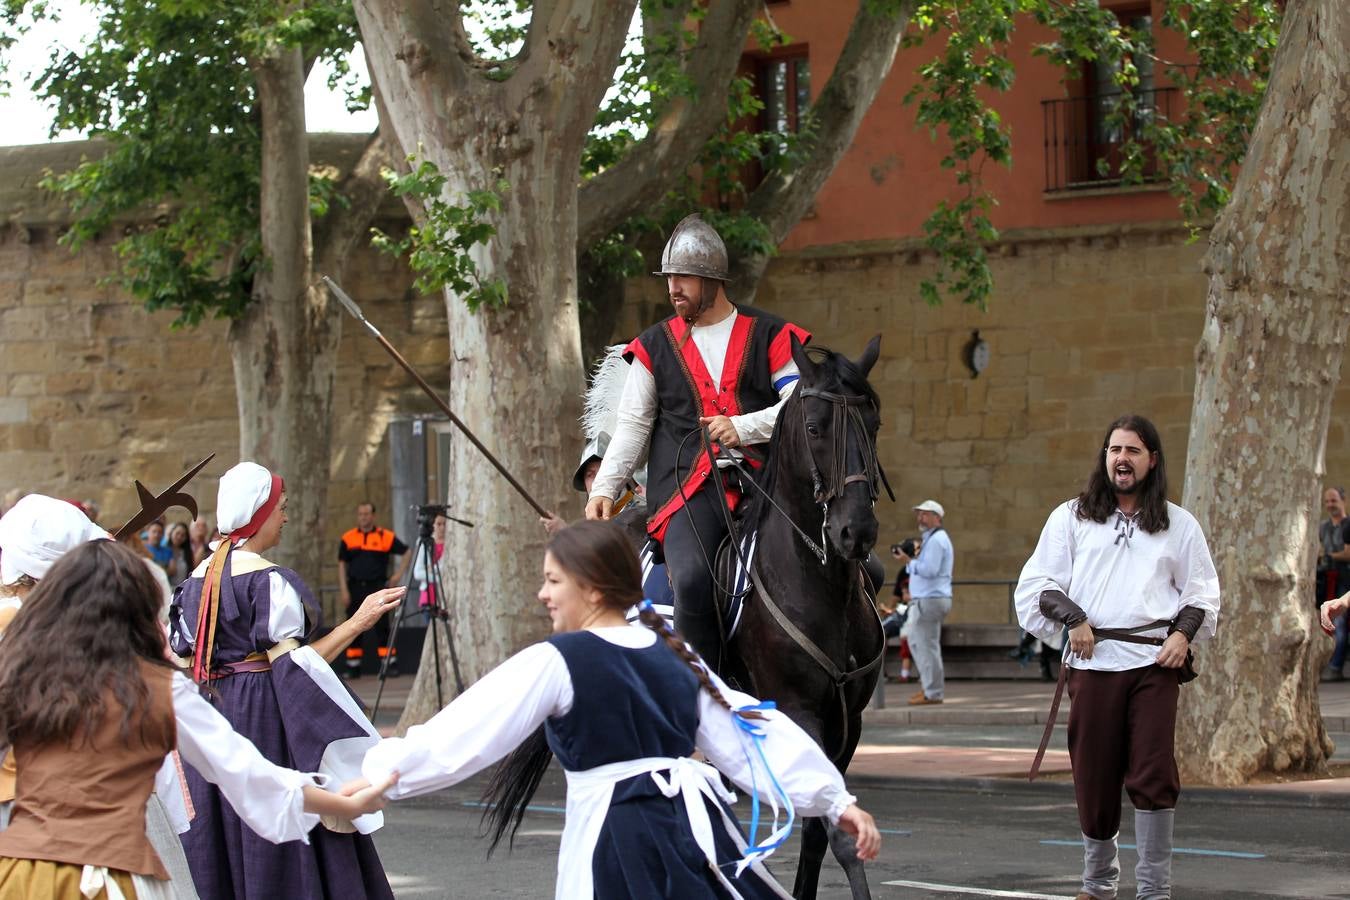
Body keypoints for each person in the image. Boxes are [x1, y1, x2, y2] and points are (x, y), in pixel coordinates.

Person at [346, 520, 880, 899]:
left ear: (594, 588)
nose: (542, 595)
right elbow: (747, 731)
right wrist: (833, 799)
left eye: (553, 581)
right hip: (694, 835)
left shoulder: (559, 660)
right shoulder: (671, 648)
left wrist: (379, 776)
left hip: (616, 839)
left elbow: (467, 732)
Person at [0, 533, 392, 900]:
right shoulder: (154, 687)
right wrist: (346, 805)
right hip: (105, 880)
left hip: (19, 874)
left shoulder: (21, 669)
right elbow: (245, 772)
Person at [586, 214, 811, 670]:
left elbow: (800, 404)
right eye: (669, 278)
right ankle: (701, 699)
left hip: (771, 481)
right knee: (689, 579)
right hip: (691, 490)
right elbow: (632, 425)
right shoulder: (653, 345)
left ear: (713, 281)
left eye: (683, 277)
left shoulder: (771, 334)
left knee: (854, 564)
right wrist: (605, 488)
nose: (673, 287)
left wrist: (744, 427)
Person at [170, 462, 401, 900]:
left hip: (206, 714)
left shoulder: (190, 585)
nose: (287, 517)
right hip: (261, 716)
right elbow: (297, 669)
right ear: (259, 515)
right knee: (277, 811)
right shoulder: (268, 582)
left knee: (221, 820)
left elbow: (182, 663)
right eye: (282, 508)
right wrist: (358, 622)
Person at [1014, 414, 1220, 900]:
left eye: (1132, 450)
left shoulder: (1178, 524)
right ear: (1104, 458)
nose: (1121, 458)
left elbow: (1202, 593)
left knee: (1152, 773)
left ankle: (1153, 890)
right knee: (1094, 773)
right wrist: (1074, 618)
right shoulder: (1071, 517)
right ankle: (1099, 884)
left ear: (1152, 460)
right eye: (1114, 450)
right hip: (1094, 664)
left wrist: (1182, 635)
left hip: (1154, 666)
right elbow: (1038, 584)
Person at [337, 502, 410, 678]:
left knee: (383, 627)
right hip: (355, 587)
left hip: (377, 586)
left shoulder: (385, 536)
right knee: (353, 626)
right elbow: (341, 565)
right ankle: (353, 666)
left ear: (373, 516)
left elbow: (407, 551)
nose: (364, 517)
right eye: (361, 514)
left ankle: (389, 664)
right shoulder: (348, 538)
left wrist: (397, 575)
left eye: (367, 514)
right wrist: (344, 590)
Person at [894, 500, 953, 705]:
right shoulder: (932, 539)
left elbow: (930, 570)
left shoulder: (937, 540)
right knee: (919, 643)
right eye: (919, 514)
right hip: (928, 600)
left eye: (925, 514)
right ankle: (929, 688)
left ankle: (933, 692)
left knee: (925, 645)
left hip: (930, 600)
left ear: (937, 517)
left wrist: (909, 562)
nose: (920, 518)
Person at [1317, 487, 1350, 681]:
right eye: (1327, 501)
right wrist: (1345, 601)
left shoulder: (1348, 525)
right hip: (1329, 580)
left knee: (1339, 624)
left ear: (1343, 501)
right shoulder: (1323, 527)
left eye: (1334, 500)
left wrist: (1329, 556)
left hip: (1345, 577)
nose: (1330, 505)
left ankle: (1335, 665)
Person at [164, 522, 195, 588]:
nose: (179, 537)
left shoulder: (187, 553)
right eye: (177, 533)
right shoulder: (163, 550)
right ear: (172, 533)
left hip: (182, 590)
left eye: (183, 535)